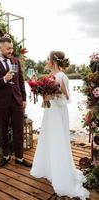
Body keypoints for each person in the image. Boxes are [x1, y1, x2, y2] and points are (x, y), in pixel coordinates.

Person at [30, 51, 89, 199]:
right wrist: (39, 89)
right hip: (50, 114)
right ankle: (49, 169)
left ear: (53, 61)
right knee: (49, 139)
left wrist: (53, 96)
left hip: (58, 114)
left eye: (48, 59)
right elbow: (49, 96)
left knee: (58, 141)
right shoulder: (50, 77)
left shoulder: (62, 76)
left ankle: (61, 175)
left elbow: (67, 99)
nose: (46, 61)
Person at [0, 36, 32, 168]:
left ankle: (19, 157)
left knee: (19, 130)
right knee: (4, 130)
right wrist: (4, 79)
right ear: (0, 47)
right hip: (2, 103)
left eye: (11, 48)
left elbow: (20, 82)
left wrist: (23, 98)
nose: (11, 50)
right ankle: (5, 156)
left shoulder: (15, 61)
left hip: (17, 101)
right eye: (8, 48)